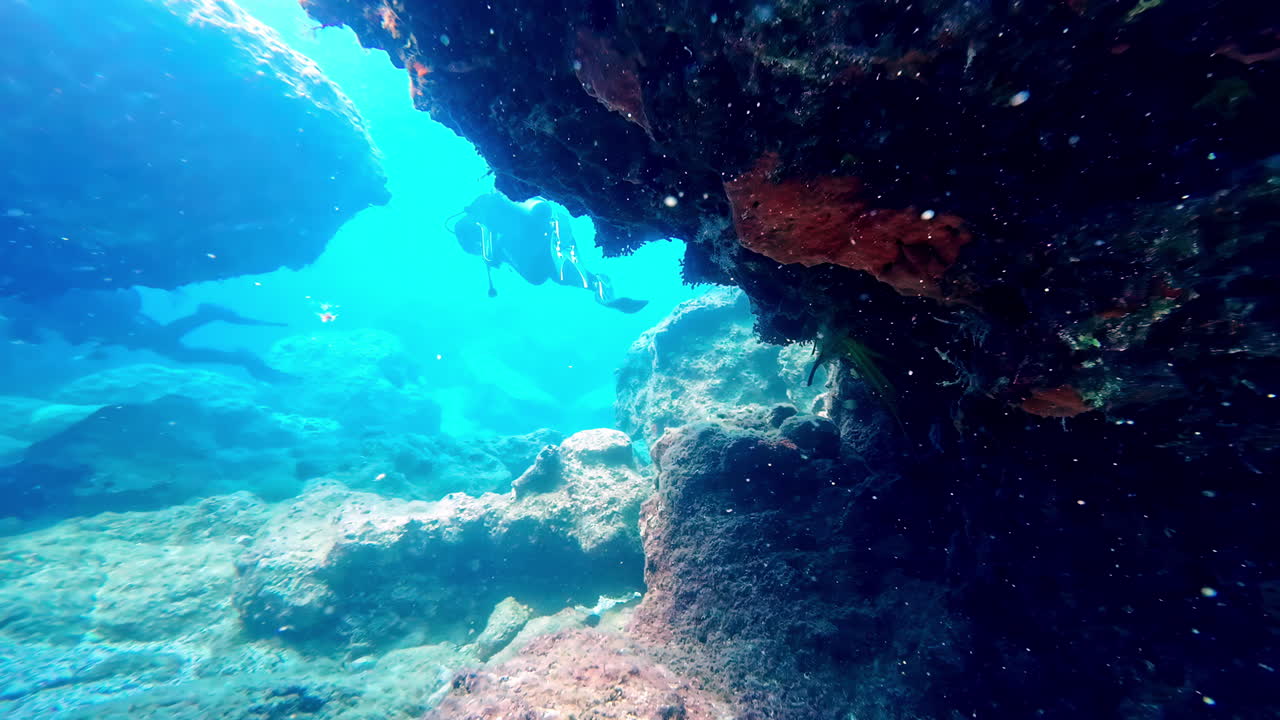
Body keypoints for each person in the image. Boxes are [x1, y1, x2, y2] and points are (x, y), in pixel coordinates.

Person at [2, 288, 290, 382]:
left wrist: (27, 334)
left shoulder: (22, 306)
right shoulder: (25, 303)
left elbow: (29, 323)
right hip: (107, 323)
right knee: (169, 347)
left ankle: (207, 317)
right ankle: (237, 354)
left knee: (166, 345)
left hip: (107, 324)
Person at [450, 193, 649, 313]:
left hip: (537, 236)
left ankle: (601, 288)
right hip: (550, 230)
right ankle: (601, 289)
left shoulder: (486, 223)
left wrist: (493, 256)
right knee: (560, 274)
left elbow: (493, 251)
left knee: (545, 276)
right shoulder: (492, 217)